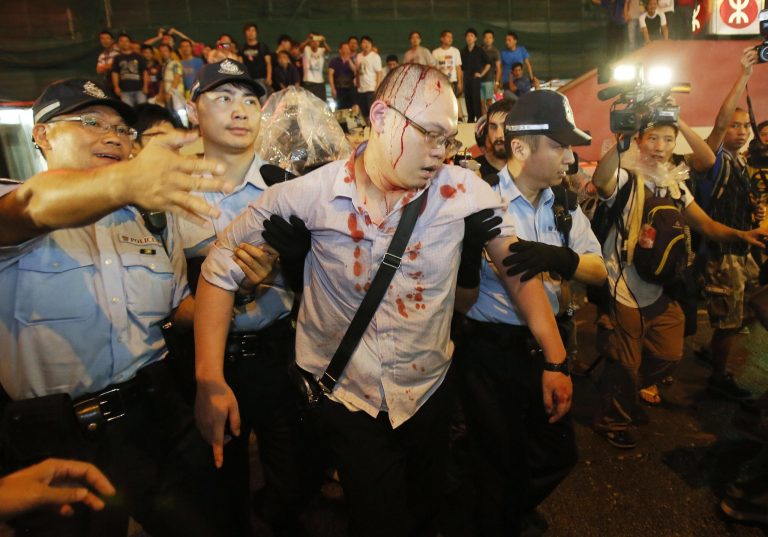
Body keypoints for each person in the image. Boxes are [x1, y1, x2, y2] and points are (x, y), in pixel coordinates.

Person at [194, 63, 570, 537]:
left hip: (430, 393)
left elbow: (517, 271)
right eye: (428, 134)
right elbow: (217, 268)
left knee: (428, 506)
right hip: (351, 402)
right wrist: (209, 377)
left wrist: (555, 360)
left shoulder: (462, 193)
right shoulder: (309, 196)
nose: (439, 153)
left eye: (448, 139)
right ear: (381, 117)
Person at [0, 77, 239, 536]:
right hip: (56, 440)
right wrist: (122, 183)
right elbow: (32, 205)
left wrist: (236, 286)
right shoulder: (15, 206)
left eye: (123, 130)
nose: (112, 136)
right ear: (43, 134)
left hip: (157, 415)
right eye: (90, 122)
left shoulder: (150, 219)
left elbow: (177, 309)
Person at [455, 89, 605, 537]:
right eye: (559, 146)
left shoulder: (564, 205)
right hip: (491, 350)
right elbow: (458, 304)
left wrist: (560, 259)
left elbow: (600, 269)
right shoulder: (480, 205)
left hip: (549, 347)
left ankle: (501, 510)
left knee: (555, 453)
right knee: (496, 456)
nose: (569, 158)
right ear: (521, 147)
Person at [181, 59, 311, 535]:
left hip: (280, 355)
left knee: (297, 480)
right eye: (223, 98)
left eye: (250, 100)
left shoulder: (287, 186)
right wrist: (233, 293)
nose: (240, 110)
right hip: (206, 363)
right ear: (194, 110)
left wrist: (294, 265)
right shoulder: (171, 193)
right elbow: (162, 304)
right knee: (220, 492)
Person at [590, 111, 768, 449]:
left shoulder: (674, 183)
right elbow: (601, 182)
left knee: (670, 354)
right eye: (653, 138)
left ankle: (619, 390)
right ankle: (611, 418)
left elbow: (706, 225)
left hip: (659, 286)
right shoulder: (626, 178)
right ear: (640, 140)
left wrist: (742, 234)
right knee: (627, 363)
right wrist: (619, 142)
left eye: (668, 139)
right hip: (622, 283)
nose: (660, 146)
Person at [695, 48, 763, 401]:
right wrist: (744, 76)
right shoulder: (713, 161)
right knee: (728, 321)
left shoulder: (740, 164)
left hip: (744, 250)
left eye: (744, 126)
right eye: (734, 126)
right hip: (722, 255)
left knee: (751, 309)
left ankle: (716, 350)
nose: (740, 131)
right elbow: (719, 123)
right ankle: (717, 378)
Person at [474, 98, 515, 178]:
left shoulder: (531, 168)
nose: (498, 135)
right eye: (493, 127)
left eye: (505, 126)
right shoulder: (473, 170)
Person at [460, 28, 491, 123]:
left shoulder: (479, 50)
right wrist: (461, 82)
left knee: (476, 101)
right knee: (468, 101)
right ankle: (470, 121)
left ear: (475, 38)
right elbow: (460, 68)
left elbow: (488, 63)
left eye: (472, 36)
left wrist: (481, 74)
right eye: (468, 36)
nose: (469, 38)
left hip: (476, 80)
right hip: (466, 80)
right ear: (465, 38)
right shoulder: (463, 51)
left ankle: (479, 122)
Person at [111, 33, 148, 106]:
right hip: (124, 90)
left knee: (143, 109)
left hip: (139, 89)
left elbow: (145, 72)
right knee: (128, 110)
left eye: (126, 41)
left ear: (130, 43)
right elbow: (115, 73)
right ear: (118, 43)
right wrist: (116, 87)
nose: (124, 43)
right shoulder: (117, 58)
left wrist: (145, 86)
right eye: (121, 41)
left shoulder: (138, 57)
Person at [355, 35, 383, 122]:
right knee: (364, 113)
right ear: (361, 45)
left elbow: (379, 72)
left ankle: (373, 132)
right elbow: (357, 71)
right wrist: (358, 83)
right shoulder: (358, 56)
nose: (366, 45)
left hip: (371, 88)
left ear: (371, 45)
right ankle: (367, 130)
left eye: (368, 43)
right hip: (361, 89)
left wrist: (377, 87)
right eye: (364, 42)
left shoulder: (375, 56)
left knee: (372, 112)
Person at [499, 31, 533, 98]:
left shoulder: (522, 50)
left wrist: (531, 78)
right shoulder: (503, 53)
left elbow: (528, 65)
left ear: (515, 41)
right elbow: (500, 68)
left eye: (509, 40)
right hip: (507, 82)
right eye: (506, 40)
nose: (507, 42)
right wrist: (500, 82)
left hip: (519, 82)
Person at [241, 23, 272, 97]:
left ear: (256, 33)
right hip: (247, 80)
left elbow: (268, 63)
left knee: (263, 102)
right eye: (248, 30)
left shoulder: (263, 46)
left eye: (253, 30)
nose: (251, 33)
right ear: (245, 33)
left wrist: (269, 77)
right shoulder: (242, 48)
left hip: (261, 79)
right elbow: (240, 63)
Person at [301, 32, 330, 102]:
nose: (314, 43)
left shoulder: (321, 50)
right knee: (308, 102)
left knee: (321, 102)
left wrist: (324, 41)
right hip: (308, 81)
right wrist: (308, 39)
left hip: (320, 82)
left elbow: (328, 51)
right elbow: (300, 48)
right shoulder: (306, 49)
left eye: (317, 41)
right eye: (313, 41)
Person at [432, 30, 463, 97]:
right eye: (448, 36)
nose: (450, 39)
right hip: (440, 82)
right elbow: (433, 69)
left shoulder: (455, 51)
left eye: (451, 37)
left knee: (454, 101)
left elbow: (458, 67)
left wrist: (460, 83)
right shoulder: (435, 52)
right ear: (442, 39)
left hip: (452, 81)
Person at [328, 42, 357, 109]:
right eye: (345, 48)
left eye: (348, 48)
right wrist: (333, 89)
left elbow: (356, 72)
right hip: (339, 89)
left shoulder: (353, 60)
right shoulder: (334, 61)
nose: (347, 50)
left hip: (350, 90)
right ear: (340, 50)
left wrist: (349, 61)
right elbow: (330, 75)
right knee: (340, 109)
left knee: (352, 109)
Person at [480, 30, 501, 114]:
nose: (488, 39)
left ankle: (491, 118)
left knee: (489, 102)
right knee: (481, 102)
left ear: (493, 39)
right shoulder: (480, 50)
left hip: (490, 80)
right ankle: (483, 121)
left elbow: (499, 68)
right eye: (486, 37)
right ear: (483, 39)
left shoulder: (495, 52)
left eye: (490, 37)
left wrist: (497, 83)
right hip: (480, 80)